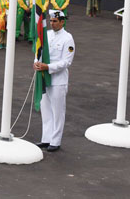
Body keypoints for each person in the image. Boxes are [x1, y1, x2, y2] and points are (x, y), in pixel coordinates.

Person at [34, 10, 75, 152]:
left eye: (55, 21)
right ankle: (46, 138)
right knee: (45, 110)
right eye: (51, 21)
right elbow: (39, 51)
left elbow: (66, 62)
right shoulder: (47, 35)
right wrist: (36, 62)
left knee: (57, 111)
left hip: (58, 80)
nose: (52, 24)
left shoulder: (67, 38)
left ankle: (56, 141)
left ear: (62, 21)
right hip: (45, 77)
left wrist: (48, 67)